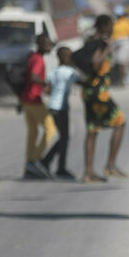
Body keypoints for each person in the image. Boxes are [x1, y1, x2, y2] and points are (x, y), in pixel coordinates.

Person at [79, 15, 127, 183]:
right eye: (111, 25)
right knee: (120, 122)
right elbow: (95, 63)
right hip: (99, 93)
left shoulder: (90, 40)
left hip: (88, 91)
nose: (113, 28)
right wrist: (107, 49)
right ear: (105, 26)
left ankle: (88, 173)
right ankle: (110, 166)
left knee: (92, 130)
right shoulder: (101, 43)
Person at [41, 47, 80, 180]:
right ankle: (55, 165)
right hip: (61, 108)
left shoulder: (54, 71)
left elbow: (47, 89)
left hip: (53, 106)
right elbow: (81, 82)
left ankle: (49, 163)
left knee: (64, 137)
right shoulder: (69, 72)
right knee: (64, 137)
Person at [21, 33, 57, 179]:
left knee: (33, 132)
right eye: (47, 44)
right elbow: (34, 76)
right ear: (41, 45)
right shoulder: (38, 59)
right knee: (50, 129)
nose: (50, 47)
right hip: (34, 99)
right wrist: (46, 84)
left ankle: (30, 160)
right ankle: (34, 160)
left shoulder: (33, 57)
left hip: (26, 99)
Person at [111, 5, 129, 86]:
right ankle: (122, 79)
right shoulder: (115, 23)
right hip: (116, 43)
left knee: (123, 62)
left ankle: (123, 80)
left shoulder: (127, 22)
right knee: (119, 62)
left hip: (125, 43)